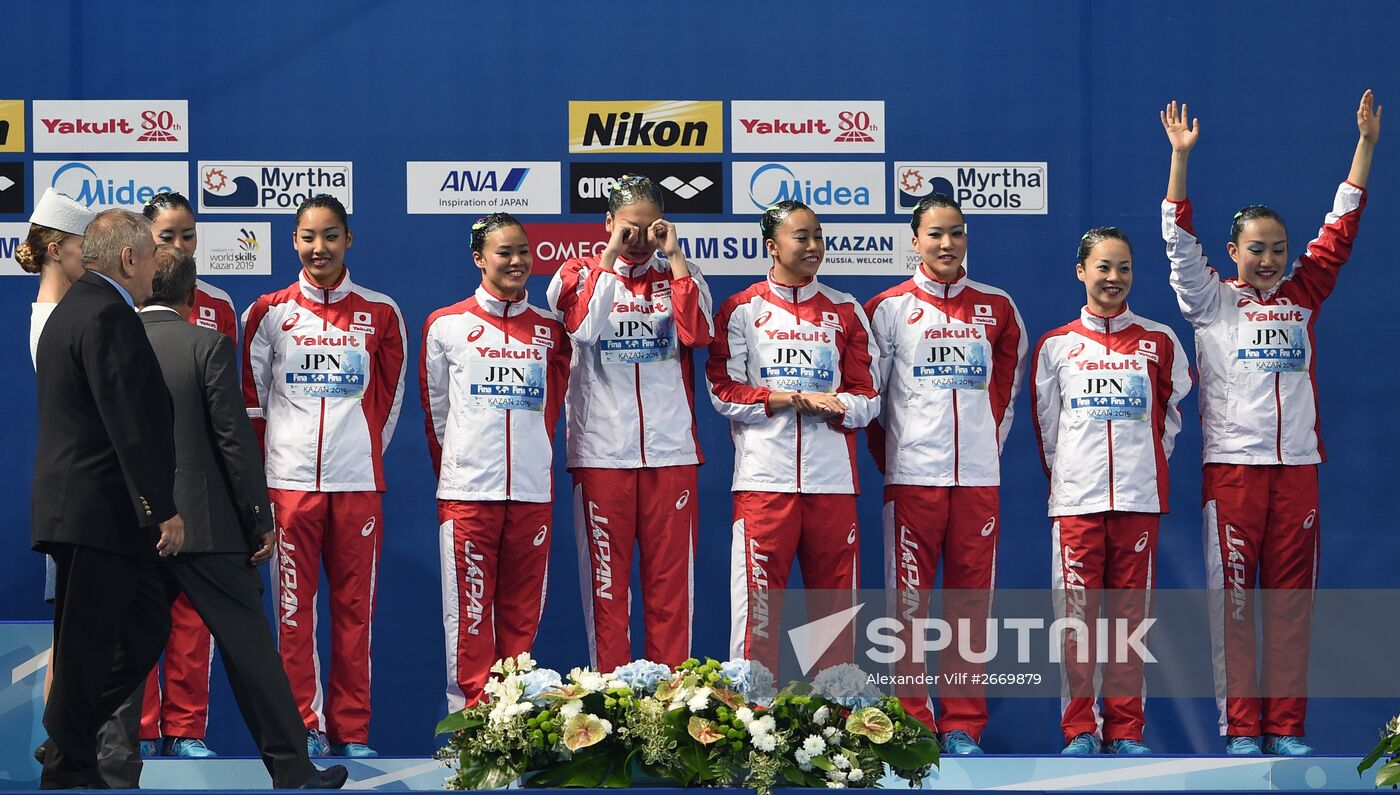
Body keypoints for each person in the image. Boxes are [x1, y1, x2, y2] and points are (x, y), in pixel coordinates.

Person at [1160, 90, 1381, 755]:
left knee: (1290, 608)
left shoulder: (1304, 294)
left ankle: (1284, 727)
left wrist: (1366, 145)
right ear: (1233, 250)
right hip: (1233, 475)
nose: (1269, 259)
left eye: (1278, 248)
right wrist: (1180, 161)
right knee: (1233, 610)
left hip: (1298, 476)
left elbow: (1339, 232)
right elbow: (1176, 241)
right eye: (1257, 248)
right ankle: (1239, 728)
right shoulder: (1210, 301)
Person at [138, 244, 349, 788]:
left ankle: (94, 758)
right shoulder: (207, 344)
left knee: (122, 651)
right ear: (192, 297)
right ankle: (293, 770)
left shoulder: (110, 343)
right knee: (251, 652)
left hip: (132, 527)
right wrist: (259, 519)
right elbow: (234, 442)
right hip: (207, 530)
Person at [242, 194, 407, 757]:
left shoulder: (381, 312)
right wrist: (271, 475)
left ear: (348, 240)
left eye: (331, 236)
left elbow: (388, 400)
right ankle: (302, 727)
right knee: (293, 615)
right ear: (294, 241)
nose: (320, 248)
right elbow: (252, 404)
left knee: (354, 616)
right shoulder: (267, 311)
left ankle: (351, 729)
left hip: (357, 485)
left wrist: (357, 457)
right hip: (288, 487)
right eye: (309, 237)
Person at [863, 194, 1026, 754]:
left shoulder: (997, 307)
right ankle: (910, 721)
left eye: (955, 233)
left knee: (969, 605)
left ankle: (962, 725)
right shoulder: (887, 308)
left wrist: (984, 449)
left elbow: (1003, 392)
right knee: (907, 608)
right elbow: (873, 400)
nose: (946, 244)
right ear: (915, 241)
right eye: (934, 234)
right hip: (911, 479)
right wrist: (899, 462)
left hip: (978, 480)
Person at [31, 209, 185, 789]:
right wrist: (161, 507)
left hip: (84, 511)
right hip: (100, 513)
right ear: (127, 259)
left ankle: (67, 746)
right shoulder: (109, 313)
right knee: (94, 645)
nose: (157, 266)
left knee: (138, 625)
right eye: (150, 254)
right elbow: (129, 420)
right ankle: (67, 763)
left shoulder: (75, 309)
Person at [1031, 227, 1191, 755]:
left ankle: (1125, 731)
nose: (1114, 278)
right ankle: (1079, 729)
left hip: (1139, 501)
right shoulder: (1056, 346)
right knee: (1075, 622)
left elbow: (1167, 419)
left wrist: (1141, 468)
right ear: (1081, 271)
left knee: (1130, 621)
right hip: (1077, 502)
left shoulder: (1160, 340)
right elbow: (1047, 427)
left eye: (1123, 267)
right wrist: (1076, 478)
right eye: (1103, 267)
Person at [545, 174, 714, 671]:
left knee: (670, 589)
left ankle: (669, 706)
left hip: (671, 455)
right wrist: (607, 262)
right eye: (627, 229)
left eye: (649, 228)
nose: (639, 240)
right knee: (606, 589)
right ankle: (611, 703)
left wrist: (676, 258)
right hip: (602, 455)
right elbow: (584, 329)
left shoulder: (683, 274)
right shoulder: (575, 274)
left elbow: (698, 333)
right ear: (608, 225)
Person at [706, 200, 880, 671]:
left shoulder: (845, 311)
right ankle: (753, 719)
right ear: (772, 246)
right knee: (757, 612)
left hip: (832, 484)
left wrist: (838, 405)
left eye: (818, 236)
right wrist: (788, 398)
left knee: (833, 612)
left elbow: (869, 395)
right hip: (764, 483)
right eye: (801, 236)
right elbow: (723, 391)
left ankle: (833, 720)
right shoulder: (740, 309)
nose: (813, 246)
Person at [420, 214, 571, 710]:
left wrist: (532, 459)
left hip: (530, 492)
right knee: (468, 616)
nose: (516, 261)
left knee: (521, 617)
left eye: (523, 251)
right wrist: (462, 468)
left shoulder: (552, 330)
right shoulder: (447, 325)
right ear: (479, 258)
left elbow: (553, 407)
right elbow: (437, 411)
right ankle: (470, 728)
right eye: (504, 252)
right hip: (468, 496)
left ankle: (512, 722)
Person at [139, 190, 230, 758]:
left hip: (198, 483)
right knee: (142, 606)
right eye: (166, 236)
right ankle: (143, 729)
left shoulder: (219, 304)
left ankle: (186, 728)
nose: (177, 246)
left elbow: (228, 409)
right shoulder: (124, 300)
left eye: (187, 236)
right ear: (144, 241)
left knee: (195, 614)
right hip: (142, 480)